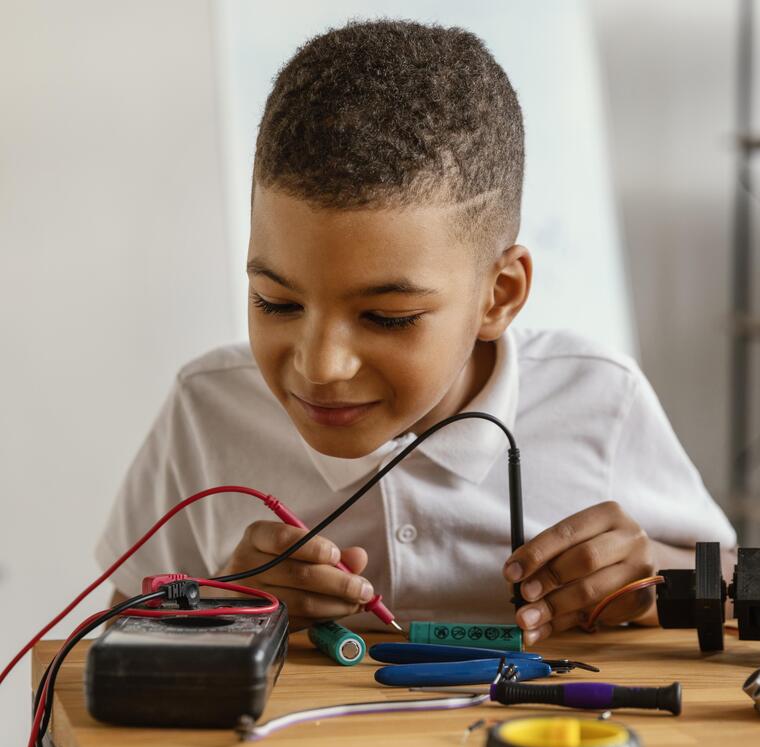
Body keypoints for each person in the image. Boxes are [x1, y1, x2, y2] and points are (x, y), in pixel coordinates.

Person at [98, 19, 736, 646]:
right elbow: (107, 646)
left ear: (499, 294)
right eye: (276, 301)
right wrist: (222, 607)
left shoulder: (601, 398)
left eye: (387, 317)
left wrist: (653, 572)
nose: (321, 367)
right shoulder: (208, 409)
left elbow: (732, 582)